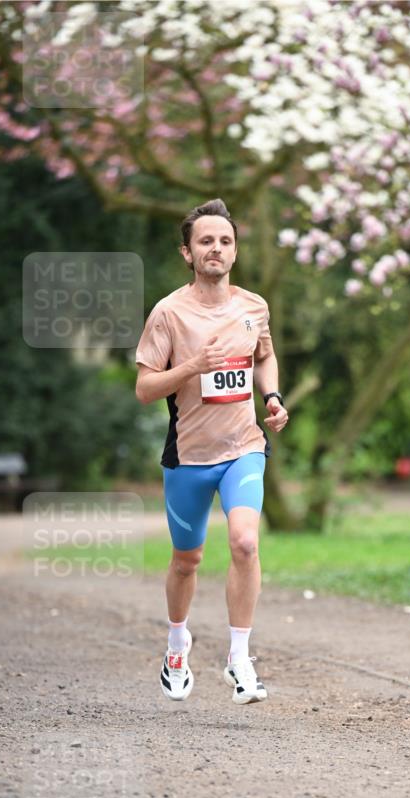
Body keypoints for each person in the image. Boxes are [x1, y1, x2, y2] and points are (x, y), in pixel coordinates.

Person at [135, 199, 288, 705]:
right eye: (205, 241)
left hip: (244, 446)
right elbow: (145, 388)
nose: (215, 249)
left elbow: (264, 358)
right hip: (189, 457)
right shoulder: (169, 312)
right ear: (188, 252)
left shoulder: (254, 307)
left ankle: (239, 658)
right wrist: (193, 367)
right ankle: (177, 644)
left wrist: (272, 397)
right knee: (187, 559)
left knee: (245, 544)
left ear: (235, 250)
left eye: (224, 240)